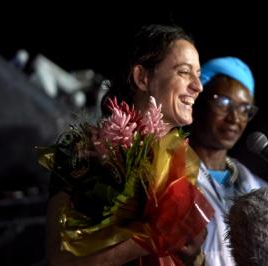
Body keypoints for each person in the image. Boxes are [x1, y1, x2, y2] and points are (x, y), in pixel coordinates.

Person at [45, 24, 206, 266]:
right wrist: (150, 238)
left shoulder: (182, 165)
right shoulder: (86, 151)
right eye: (184, 72)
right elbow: (59, 260)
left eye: (198, 74)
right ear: (142, 77)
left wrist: (195, 256)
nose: (198, 86)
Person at [188, 56, 268, 265]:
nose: (235, 118)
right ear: (197, 99)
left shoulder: (257, 189)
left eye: (245, 109)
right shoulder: (167, 169)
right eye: (224, 102)